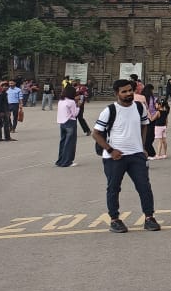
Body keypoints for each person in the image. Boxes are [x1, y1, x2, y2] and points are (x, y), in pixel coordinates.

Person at [90, 79, 161, 234]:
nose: (128, 93)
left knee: (144, 187)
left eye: (130, 90)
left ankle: (149, 217)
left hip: (136, 155)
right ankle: (115, 219)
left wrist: (142, 147)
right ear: (117, 94)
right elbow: (95, 133)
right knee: (113, 188)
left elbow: (144, 125)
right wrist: (110, 150)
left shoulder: (139, 107)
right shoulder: (109, 110)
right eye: (124, 91)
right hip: (115, 157)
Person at [55, 85, 79, 167]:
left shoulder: (61, 101)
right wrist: (78, 105)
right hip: (70, 122)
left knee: (63, 142)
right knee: (70, 143)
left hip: (62, 122)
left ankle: (60, 160)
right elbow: (75, 114)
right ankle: (67, 161)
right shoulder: (71, 102)